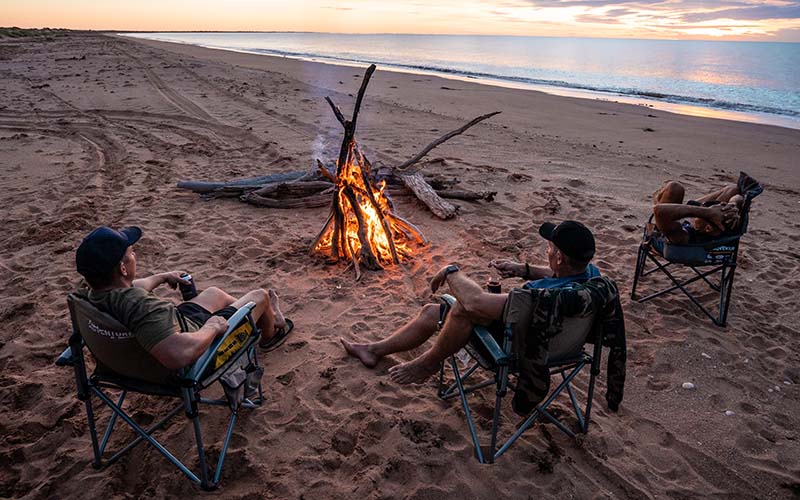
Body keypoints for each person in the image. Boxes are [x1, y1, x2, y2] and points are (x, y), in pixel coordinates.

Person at [341, 220, 599, 384]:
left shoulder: (535, 298)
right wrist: (524, 269)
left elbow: (476, 301)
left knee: (463, 309)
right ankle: (373, 350)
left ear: (560, 258)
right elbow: (559, 274)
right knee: (434, 311)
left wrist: (451, 271)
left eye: (551, 248)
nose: (547, 250)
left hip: (518, 351)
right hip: (564, 348)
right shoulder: (592, 280)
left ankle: (427, 363)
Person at [75, 226, 292, 370]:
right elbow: (177, 355)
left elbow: (134, 287)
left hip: (127, 364)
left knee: (213, 293)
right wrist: (212, 327)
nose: (135, 256)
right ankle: (269, 334)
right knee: (259, 296)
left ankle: (266, 318)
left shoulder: (89, 296)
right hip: (195, 355)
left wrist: (162, 277)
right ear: (123, 268)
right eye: (131, 253)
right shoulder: (146, 309)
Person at [652, 171, 758, 245]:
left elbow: (659, 210)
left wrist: (706, 212)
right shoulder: (727, 222)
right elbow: (737, 195)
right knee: (733, 189)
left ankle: (657, 198)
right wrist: (733, 204)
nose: (702, 207)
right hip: (684, 217)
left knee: (673, 187)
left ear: (708, 228)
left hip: (665, 221)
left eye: (702, 213)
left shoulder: (682, 236)